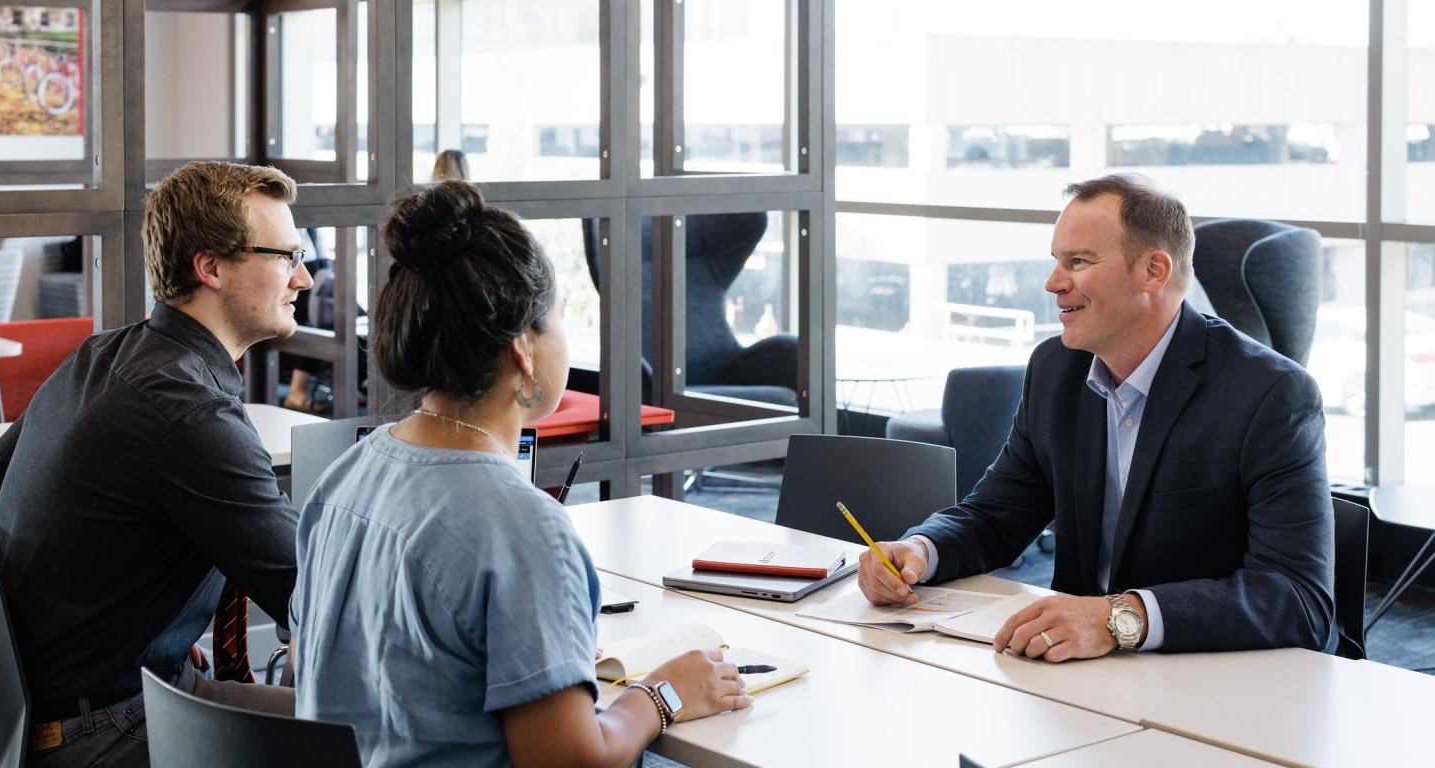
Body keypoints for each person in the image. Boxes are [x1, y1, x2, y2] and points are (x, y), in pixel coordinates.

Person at [291, 181, 751, 767]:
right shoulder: (524, 525)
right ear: (523, 349)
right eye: (558, 317)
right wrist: (662, 694)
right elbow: (570, 763)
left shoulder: (345, 476)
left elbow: (311, 670)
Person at [857, 173, 1335, 661]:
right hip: (1079, 673)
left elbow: (1298, 598)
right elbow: (997, 514)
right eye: (1056, 262)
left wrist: (1120, 618)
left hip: (1215, 678)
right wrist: (919, 550)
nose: (1052, 283)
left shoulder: (1269, 393)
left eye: (1078, 262)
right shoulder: (1055, 369)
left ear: (1153, 272)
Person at [0, 161, 311, 766]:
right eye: (284, 255)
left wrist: (145, 633)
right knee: (376, 731)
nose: (302, 277)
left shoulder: (106, 354)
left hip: (66, 701)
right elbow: (312, 592)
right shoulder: (188, 411)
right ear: (211, 267)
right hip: (98, 729)